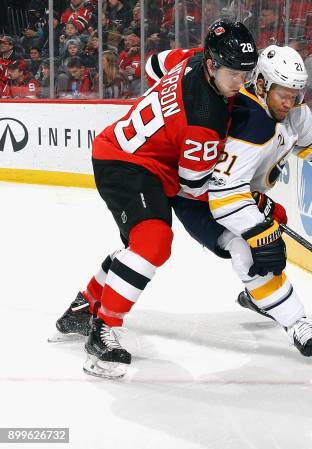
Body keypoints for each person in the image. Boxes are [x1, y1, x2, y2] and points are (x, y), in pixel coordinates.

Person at [151, 45, 312, 357]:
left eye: (297, 93)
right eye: (285, 94)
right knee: (248, 251)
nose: (291, 102)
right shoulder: (246, 121)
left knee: (271, 236)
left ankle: (260, 296)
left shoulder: (293, 110)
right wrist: (256, 230)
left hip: (237, 192)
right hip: (198, 198)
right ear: (262, 83)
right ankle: (297, 323)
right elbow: (221, 193)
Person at [51, 20, 258, 379]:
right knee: (154, 243)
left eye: (247, 73)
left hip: (122, 151)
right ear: (212, 64)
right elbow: (191, 188)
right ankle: (103, 329)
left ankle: (83, 309)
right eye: (234, 75)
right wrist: (237, 194)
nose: (242, 83)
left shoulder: (193, 58)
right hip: (130, 164)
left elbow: (153, 65)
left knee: (139, 248)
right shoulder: (205, 121)